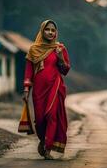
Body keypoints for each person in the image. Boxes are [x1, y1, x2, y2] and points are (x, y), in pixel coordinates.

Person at [20, 19, 70, 160]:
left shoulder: (60, 48)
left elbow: (65, 70)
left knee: (51, 116)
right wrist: (26, 89)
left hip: (55, 87)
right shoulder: (33, 50)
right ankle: (43, 140)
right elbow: (29, 71)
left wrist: (60, 57)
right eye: (47, 29)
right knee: (40, 120)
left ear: (56, 33)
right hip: (38, 90)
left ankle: (48, 148)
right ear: (42, 31)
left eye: (53, 30)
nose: (50, 32)